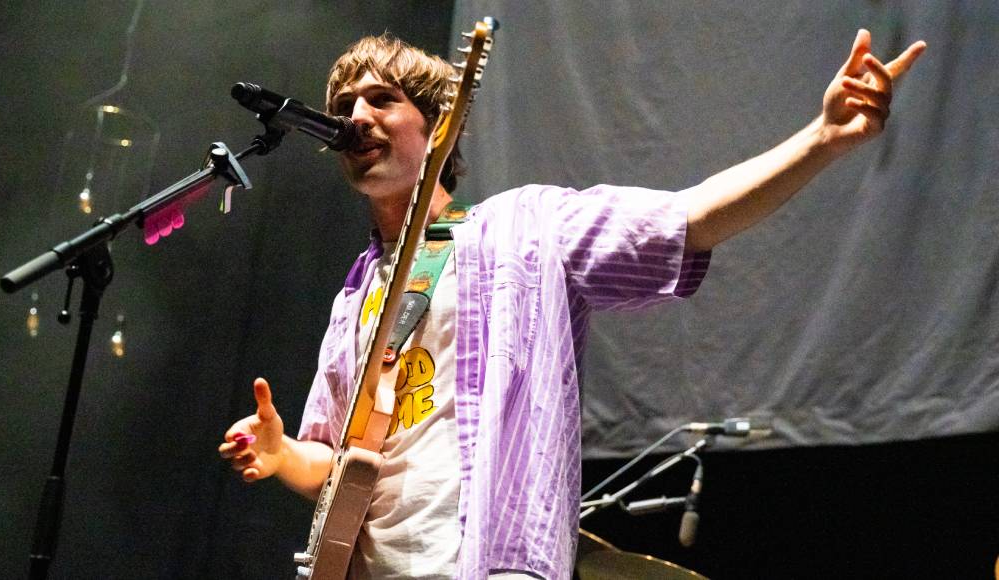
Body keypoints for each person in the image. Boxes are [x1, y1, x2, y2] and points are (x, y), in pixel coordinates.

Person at [219, 30, 926, 579]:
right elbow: (333, 463)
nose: (356, 117)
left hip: (486, 563)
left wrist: (821, 139)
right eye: (344, 107)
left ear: (439, 126)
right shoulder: (356, 294)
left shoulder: (524, 230)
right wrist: (281, 453)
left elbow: (688, 219)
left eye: (382, 100)